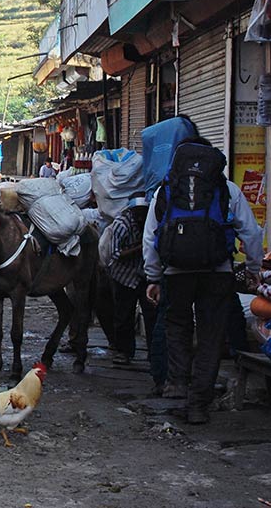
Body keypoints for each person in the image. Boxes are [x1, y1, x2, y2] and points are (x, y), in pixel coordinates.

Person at [142, 138, 261, 425]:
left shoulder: (166, 191)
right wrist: (256, 267)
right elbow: (252, 233)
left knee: (177, 330)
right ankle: (198, 404)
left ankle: (178, 389)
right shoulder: (226, 189)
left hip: (175, 274)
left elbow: (150, 237)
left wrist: (153, 277)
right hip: (217, 273)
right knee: (210, 337)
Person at [105, 195, 156, 369]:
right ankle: (123, 351)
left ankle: (154, 352)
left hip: (145, 274)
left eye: (144, 213)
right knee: (123, 315)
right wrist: (141, 247)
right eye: (138, 213)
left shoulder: (151, 222)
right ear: (131, 212)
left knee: (151, 315)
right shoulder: (122, 225)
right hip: (124, 276)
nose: (141, 217)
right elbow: (116, 254)